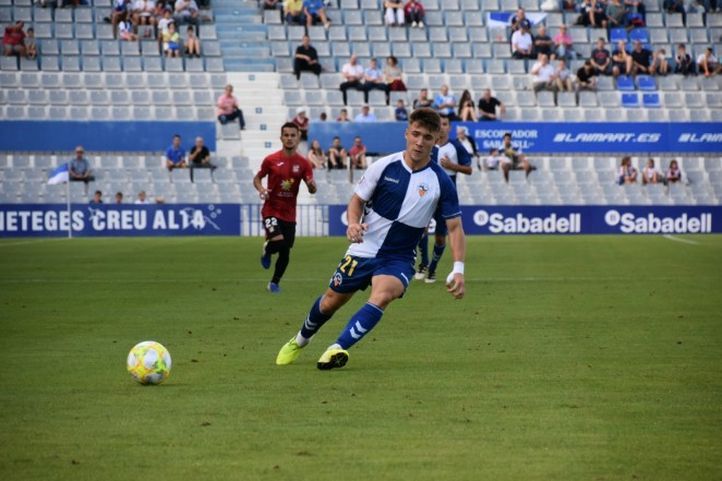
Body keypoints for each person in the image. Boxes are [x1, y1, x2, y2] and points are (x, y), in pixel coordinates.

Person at [274, 108, 466, 370]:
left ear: (436, 141)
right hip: (364, 248)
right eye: (416, 134)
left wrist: (458, 269)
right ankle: (301, 339)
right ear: (407, 133)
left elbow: (455, 228)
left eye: (428, 137)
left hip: (398, 257)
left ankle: (336, 348)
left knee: (383, 294)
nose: (420, 142)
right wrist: (353, 223)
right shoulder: (383, 165)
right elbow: (357, 200)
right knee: (331, 301)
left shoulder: (441, 181)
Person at [254, 122, 317, 293]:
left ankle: (274, 283)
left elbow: (313, 188)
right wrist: (261, 189)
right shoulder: (271, 160)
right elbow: (257, 178)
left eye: (293, 135)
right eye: (286, 135)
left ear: (298, 138)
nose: (289, 138)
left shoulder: (303, 163)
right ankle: (267, 249)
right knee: (278, 240)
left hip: (290, 214)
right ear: (281, 137)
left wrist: (311, 185)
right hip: (271, 209)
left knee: (285, 251)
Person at [416, 114, 471, 283]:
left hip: (445, 197)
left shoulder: (456, 147)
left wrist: (451, 166)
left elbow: (469, 170)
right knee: (420, 230)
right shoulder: (426, 145)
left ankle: (432, 267)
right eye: (439, 124)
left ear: (449, 127)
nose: (442, 127)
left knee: (440, 237)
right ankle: (423, 263)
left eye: (445, 124)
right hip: (426, 194)